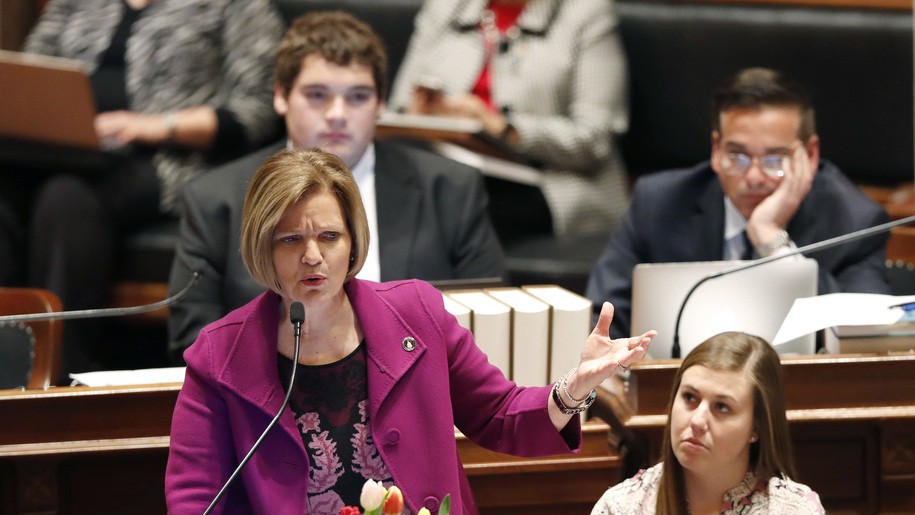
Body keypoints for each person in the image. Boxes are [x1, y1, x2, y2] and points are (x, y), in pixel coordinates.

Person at [161, 147, 656, 515]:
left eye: (329, 236)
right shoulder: (219, 358)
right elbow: (194, 508)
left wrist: (572, 388)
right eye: (290, 239)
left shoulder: (416, 313)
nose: (312, 256)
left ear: (353, 241)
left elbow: (499, 413)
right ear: (262, 246)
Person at [167, 10, 506, 361]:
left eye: (358, 96)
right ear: (281, 96)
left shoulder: (450, 188)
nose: (338, 114)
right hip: (267, 405)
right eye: (317, 95)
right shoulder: (215, 198)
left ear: (382, 103)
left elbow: (488, 321)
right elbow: (195, 344)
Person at [0, 0, 283, 375]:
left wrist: (153, 125)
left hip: (167, 161)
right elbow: (30, 75)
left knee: (66, 199)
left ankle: (55, 375)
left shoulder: (235, 6)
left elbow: (258, 108)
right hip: (59, 149)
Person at [586, 67, 891, 339]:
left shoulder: (855, 221)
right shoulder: (659, 203)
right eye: (738, 156)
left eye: (775, 159)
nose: (754, 176)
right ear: (716, 150)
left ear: (810, 156)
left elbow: (865, 338)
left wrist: (771, 238)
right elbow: (602, 323)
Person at [582, 331, 837, 515]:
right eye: (690, 398)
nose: (697, 421)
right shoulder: (617, 512)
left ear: (756, 428)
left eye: (722, 407)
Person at [387, 0, 630, 241]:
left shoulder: (586, 12)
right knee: (392, 191)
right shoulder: (446, 6)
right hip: (445, 167)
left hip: (552, 183)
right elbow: (397, 108)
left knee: (452, 208)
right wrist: (419, 114)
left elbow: (594, 138)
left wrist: (500, 128)